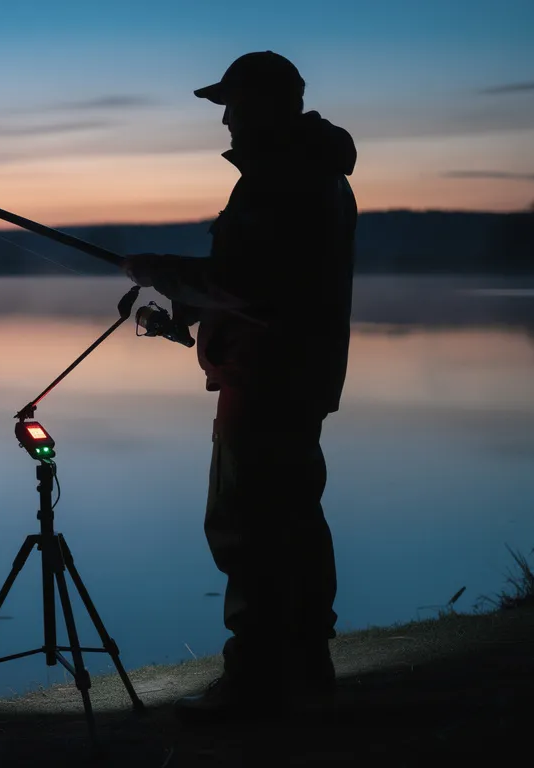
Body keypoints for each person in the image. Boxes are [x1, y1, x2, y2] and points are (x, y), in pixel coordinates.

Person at [122, 51, 357, 724]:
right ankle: (308, 670)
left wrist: (160, 269)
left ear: (262, 106)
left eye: (232, 104)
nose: (224, 118)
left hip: (264, 380)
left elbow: (251, 287)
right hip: (295, 377)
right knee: (296, 525)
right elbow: (274, 280)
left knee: (247, 529)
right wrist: (192, 306)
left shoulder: (279, 181)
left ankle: (254, 684)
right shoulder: (317, 175)